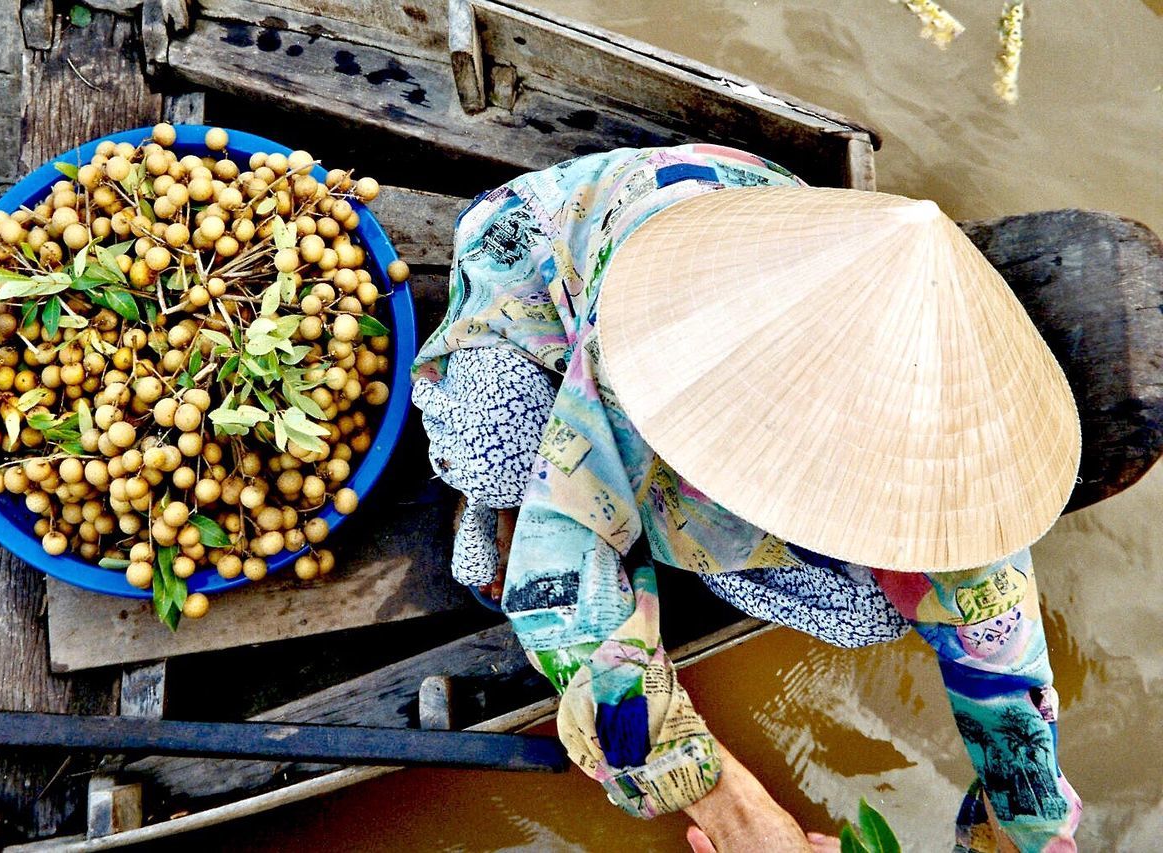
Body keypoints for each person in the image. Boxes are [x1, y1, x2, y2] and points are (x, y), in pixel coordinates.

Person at [411, 144, 1082, 852]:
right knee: (499, 452)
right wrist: (735, 808)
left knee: (875, 606)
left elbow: (1002, 659)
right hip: (557, 283)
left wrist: (1024, 831)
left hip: (753, 287)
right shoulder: (656, 339)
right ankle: (499, 505)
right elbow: (562, 601)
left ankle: (660, 545)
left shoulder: (953, 431)